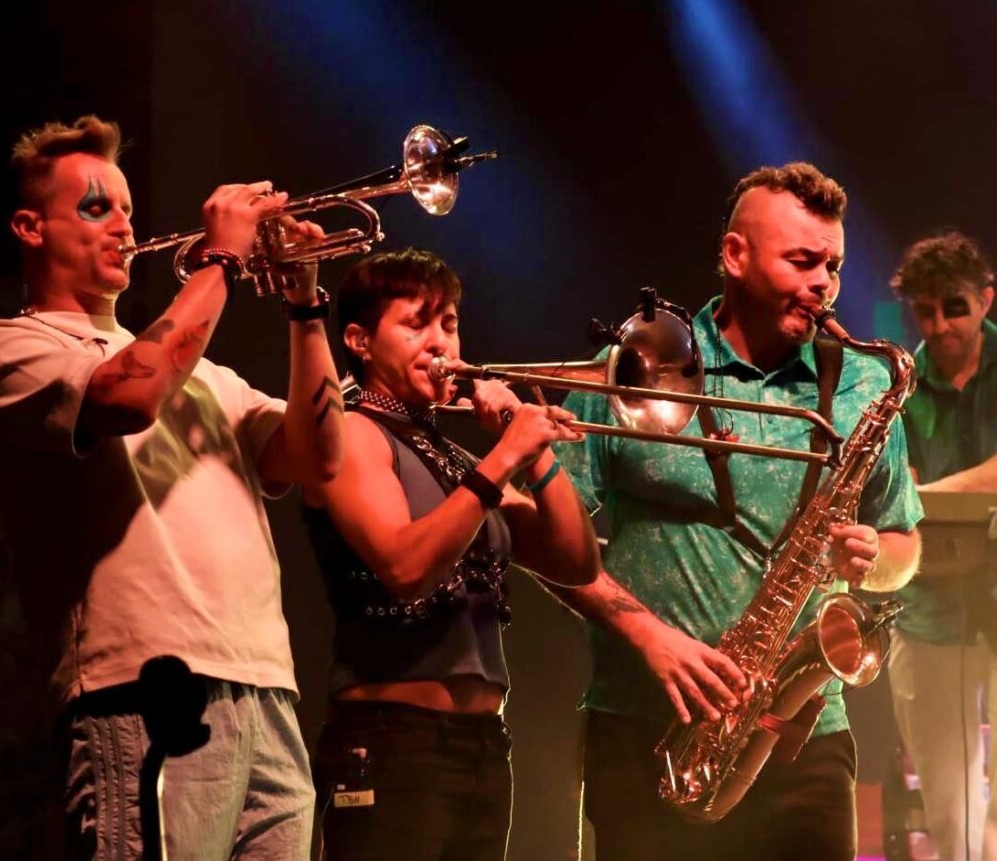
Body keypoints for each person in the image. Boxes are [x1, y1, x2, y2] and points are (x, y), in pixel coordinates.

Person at [0, 115, 343, 860]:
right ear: (30, 228)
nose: (123, 228)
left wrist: (305, 300)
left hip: (266, 689)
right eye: (96, 208)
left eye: (128, 211)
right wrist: (222, 261)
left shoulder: (213, 377)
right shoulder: (4, 347)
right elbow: (130, 398)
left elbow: (319, 458)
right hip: (141, 687)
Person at [549, 162, 924, 860]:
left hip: (801, 740)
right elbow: (536, 536)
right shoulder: (636, 367)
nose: (824, 285)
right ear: (733, 255)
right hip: (645, 734)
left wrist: (877, 559)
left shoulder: (867, 384)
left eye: (834, 267)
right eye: (802, 260)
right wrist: (647, 635)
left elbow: (906, 545)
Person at [300, 248, 599, 860]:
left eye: (450, 323)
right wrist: (503, 459)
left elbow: (576, 561)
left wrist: (534, 445)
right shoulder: (354, 433)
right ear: (359, 340)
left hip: (483, 745)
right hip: (391, 745)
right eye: (417, 324)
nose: (441, 343)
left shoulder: (459, 463)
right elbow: (405, 568)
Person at [886, 231, 995, 861]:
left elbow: (913, 495)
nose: (941, 325)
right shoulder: (897, 385)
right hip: (926, 607)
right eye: (925, 312)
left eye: (954, 307)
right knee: (949, 811)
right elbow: (890, 488)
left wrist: (928, 497)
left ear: (985, 299)